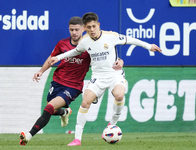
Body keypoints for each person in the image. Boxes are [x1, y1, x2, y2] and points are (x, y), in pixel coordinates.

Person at [49, 12, 162, 146]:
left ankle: (112, 125)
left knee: (119, 95)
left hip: (115, 74)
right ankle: (77, 139)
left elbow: (131, 40)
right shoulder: (85, 41)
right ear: (84, 28)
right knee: (85, 103)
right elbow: (74, 51)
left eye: (94, 26)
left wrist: (149, 46)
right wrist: (59, 57)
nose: (92, 30)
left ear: (98, 25)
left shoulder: (111, 36)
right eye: (89, 27)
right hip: (98, 77)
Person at [19, 16, 124, 146]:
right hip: (57, 82)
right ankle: (65, 112)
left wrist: (120, 62)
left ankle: (28, 136)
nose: (74, 33)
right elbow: (52, 58)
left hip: (73, 87)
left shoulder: (89, 46)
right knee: (51, 109)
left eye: (77, 30)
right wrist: (41, 71)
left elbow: (108, 59)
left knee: (49, 107)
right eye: (71, 30)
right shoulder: (62, 44)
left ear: (83, 29)